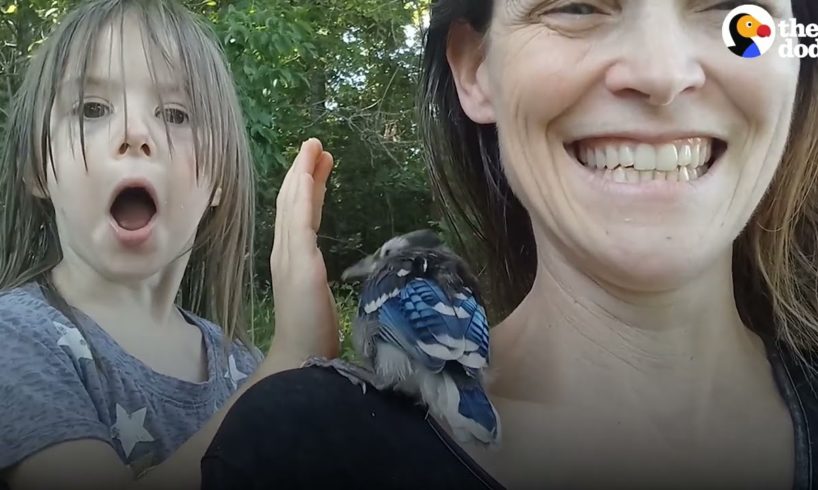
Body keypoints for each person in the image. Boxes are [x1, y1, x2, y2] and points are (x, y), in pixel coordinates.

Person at [201, 0, 818, 489]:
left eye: (737, 10)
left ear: (794, 59)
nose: (662, 74)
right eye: (577, 6)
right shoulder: (301, 454)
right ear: (475, 68)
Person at [0, 1, 339, 489]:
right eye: (93, 109)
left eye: (176, 114)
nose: (136, 134)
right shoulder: (16, 337)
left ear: (218, 180)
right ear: (38, 166)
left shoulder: (241, 366)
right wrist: (289, 363)